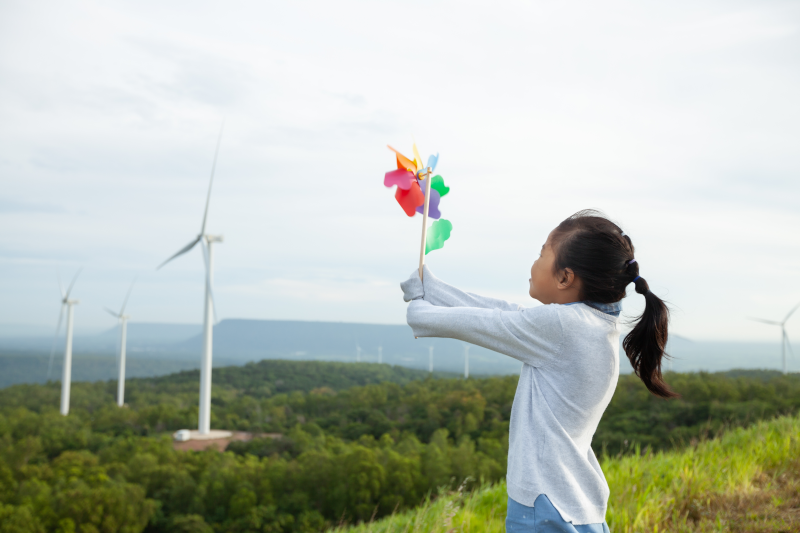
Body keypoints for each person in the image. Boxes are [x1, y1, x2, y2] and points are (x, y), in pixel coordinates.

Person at [400, 209, 676, 533]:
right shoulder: (594, 325)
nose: (534, 263)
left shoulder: (562, 327)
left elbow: (468, 322)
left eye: (542, 253)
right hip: (576, 505)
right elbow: (507, 314)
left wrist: (420, 307)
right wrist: (432, 289)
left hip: (543, 508)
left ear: (565, 278)